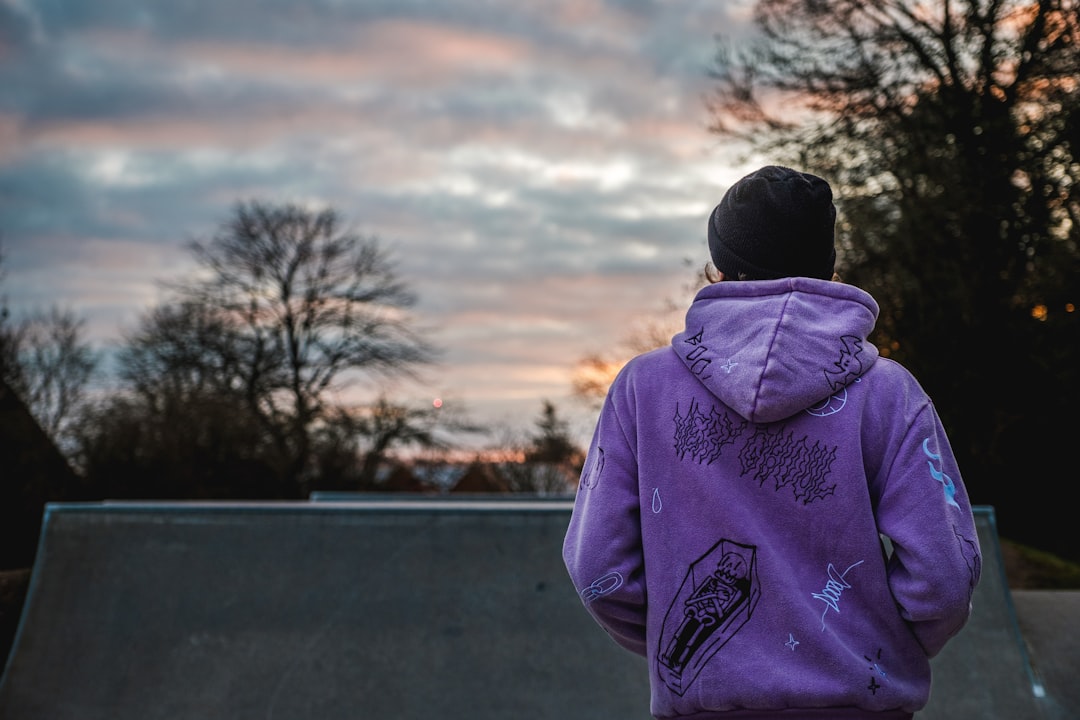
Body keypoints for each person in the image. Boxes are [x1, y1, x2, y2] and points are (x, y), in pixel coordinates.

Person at [562, 165, 981, 719]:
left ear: (719, 267)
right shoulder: (888, 394)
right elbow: (943, 580)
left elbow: (597, 567)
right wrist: (871, 648)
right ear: (828, 266)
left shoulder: (644, 388)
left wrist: (700, 651)